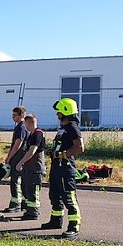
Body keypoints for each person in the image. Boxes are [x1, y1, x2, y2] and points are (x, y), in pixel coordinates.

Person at [41, 99, 85, 238]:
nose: (57, 115)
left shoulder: (72, 127)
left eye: (59, 112)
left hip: (65, 168)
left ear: (65, 111)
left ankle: (74, 226)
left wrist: (64, 155)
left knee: (69, 197)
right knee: (54, 195)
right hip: (56, 166)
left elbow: (80, 147)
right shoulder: (63, 128)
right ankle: (56, 221)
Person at [14, 114, 46, 220]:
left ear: (29, 123)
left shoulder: (37, 134)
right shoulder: (31, 135)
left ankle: (33, 213)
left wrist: (20, 162)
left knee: (33, 191)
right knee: (26, 189)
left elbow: (32, 151)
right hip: (29, 168)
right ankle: (29, 210)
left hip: (35, 169)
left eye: (26, 124)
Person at [1, 106, 29, 212]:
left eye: (15, 115)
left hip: (17, 157)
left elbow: (18, 144)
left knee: (15, 181)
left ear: (21, 115)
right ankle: (24, 203)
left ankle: (15, 204)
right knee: (22, 181)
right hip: (22, 157)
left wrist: (9, 157)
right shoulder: (24, 126)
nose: (13, 117)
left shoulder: (21, 127)